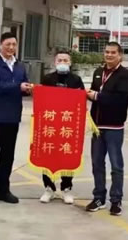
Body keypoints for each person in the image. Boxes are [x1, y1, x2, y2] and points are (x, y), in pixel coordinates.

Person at [0, 32, 32, 206]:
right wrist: (18, 87)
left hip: (12, 117)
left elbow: (23, 84)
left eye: (14, 45)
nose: (11, 48)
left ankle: (3, 191)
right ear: (0, 45)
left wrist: (27, 89)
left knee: (8, 157)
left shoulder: (19, 65)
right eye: (8, 44)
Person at [85, 41, 128, 216]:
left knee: (116, 165)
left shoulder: (125, 75)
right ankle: (99, 197)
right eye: (107, 52)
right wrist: (87, 95)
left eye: (113, 52)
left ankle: (116, 200)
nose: (109, 55)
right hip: (97, 126)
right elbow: (94, 94)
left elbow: (120, 100)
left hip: (114, 127)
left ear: (120, 55)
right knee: (97, 163)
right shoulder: (98, 72)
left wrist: (97, 96)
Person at [39, 48, 84, 205]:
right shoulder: (47, 79)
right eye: (60, 60)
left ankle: (66, 188)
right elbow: (41, 100)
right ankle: (48, 188)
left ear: (70, 63)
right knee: (48, 155)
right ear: (55, 62)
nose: (62, 63)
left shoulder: (76, 80)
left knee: (67, 155)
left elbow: (81, 101)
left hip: (68, 125)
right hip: (50, 124)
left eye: (65, 60)